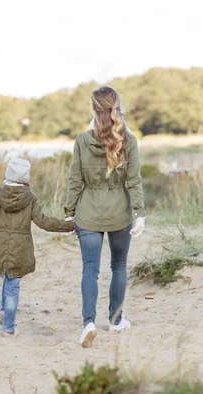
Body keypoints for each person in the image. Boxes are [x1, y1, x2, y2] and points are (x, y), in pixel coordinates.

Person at [64, 86, 146, 348]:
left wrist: (69, 212)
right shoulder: (128, 140)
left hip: (87, 213)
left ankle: (88, 323)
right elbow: (134, 180)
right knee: (118, 267)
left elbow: (74, 181)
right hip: (119, 213)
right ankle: (115, 320)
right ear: (117, 107)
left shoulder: (81, 140)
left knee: (90, 269)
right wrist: (140, 213)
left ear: (93, 108)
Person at [0, 158, 74, 336]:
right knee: (13, 285)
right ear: (25, 178)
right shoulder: (30, 198)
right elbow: (44, 222)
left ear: (8, 175)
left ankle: (5, 312)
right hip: (20, 249)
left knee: (7, 277)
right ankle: (8, 327)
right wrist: (69, 225)